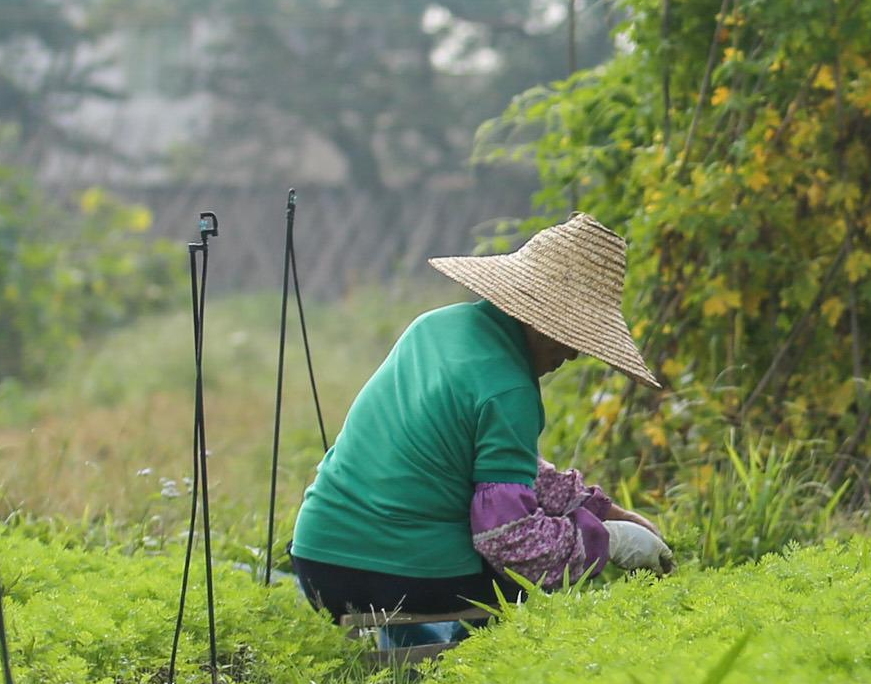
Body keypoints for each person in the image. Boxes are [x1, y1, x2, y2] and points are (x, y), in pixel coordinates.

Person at [285, 212, 671, 621]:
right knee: (525, 582)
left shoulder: (435, 327)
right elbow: (508, 540)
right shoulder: (510, 388)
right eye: (570, 338)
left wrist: (607, 513)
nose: (573, 354)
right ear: (540, 321)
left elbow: (497, 465)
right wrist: (606, 541)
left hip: (317, 558)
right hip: (384, 574)